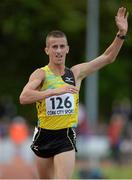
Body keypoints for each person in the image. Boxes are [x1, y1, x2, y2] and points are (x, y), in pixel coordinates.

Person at [19, 7, 128, 179]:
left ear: (67, 49)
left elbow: (107, 57)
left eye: (62, 46)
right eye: (54, 47)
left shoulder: (75, 73)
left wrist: (121, 34)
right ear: (47, 50)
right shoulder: (40, 74)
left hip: (65, 137)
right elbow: (24, 97)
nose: (59, 50)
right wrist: (54, 91)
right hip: (43, 135)